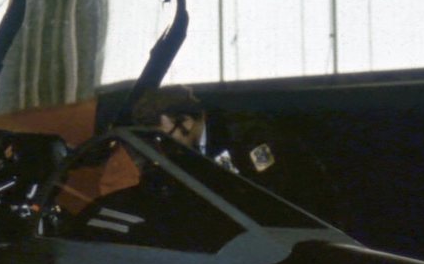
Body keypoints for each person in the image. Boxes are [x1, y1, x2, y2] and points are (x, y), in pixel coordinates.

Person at [129, 87, 347, 223]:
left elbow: (277, 196)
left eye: (167, 135)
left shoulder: (246, 135)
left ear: (186, 120)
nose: (164, 144)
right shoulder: (183, 148)